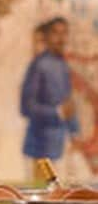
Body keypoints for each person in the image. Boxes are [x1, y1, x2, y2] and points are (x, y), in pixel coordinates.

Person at [20, 16, 79, 167]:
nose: (61, 38)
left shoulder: (63, 65)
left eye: (64, 33)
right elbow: (27, 107)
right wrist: (57, 112)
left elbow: (68, 102)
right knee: (41, 189)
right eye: (56, 33)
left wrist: (74, 131)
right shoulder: (39, 65)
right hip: (39, 147)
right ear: (46, 37)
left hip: (60, 145)